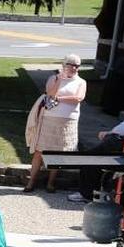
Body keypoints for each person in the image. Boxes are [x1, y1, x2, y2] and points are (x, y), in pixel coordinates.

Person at [25, 54, 87, 193]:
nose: (74, 68)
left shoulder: (81, 82)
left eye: (77, 66)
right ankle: (31, 182)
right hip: (49, 118)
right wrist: (59, 79)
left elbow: (78, 98)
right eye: (71, 65)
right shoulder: (53, 78)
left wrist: (59, 98)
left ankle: (51, 183)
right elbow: (50, 93)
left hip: (68, 120)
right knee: (39, 152)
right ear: (64, 66)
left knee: (57, 153)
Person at [67, 114, 124, 203]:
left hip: (120, 144)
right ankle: (88, 193)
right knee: (87, 158)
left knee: (92, 160)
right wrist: (109, 133)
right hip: (113, 140)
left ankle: (88, 194)